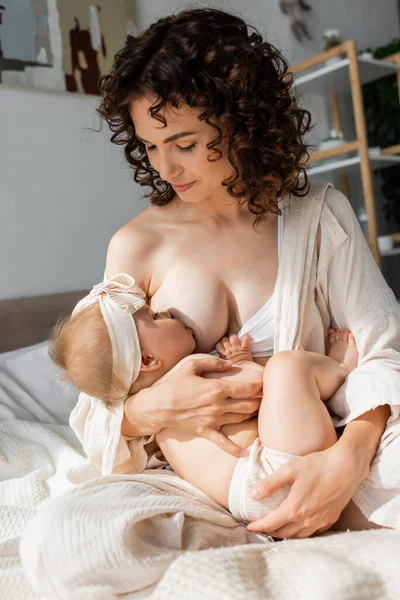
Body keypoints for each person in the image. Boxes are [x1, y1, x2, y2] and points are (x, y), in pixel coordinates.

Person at [20, 7, 400, 598]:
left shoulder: (317, 217)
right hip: (202, 477)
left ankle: (305, 516)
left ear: (242, 119)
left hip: (331, 442)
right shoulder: (138, 244)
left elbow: (383, 352)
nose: (165, 168)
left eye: (185, 143)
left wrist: (346, 460)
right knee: (66, 539)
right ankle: (258, 529)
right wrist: (153, 411)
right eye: (149, 147)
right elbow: (99, 396)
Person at [49, 272, 359, 521]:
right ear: (147, 361)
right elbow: (257, 386)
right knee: (286, 367)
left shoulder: (160, 422)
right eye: (156, 317)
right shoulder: (187, 375)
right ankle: (339, 369)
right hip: (275, 471)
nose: (167, 310)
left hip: (249, 498)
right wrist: (240, 362)